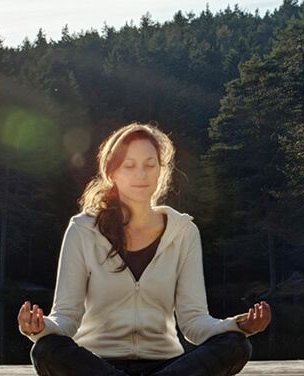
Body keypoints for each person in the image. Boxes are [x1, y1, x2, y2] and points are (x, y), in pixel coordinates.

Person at [18, 123, 271, 376]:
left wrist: (239, 325)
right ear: (112, 172)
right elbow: (66, 316)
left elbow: (194, 323)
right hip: (97, 366)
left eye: (150, 165)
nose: (141, 174)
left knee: (236, 345)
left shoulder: (183, 232)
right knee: (46, 349)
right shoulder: (83, 230)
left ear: (162, 171)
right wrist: (39, 328)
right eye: (129, 165)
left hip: (166, 366)